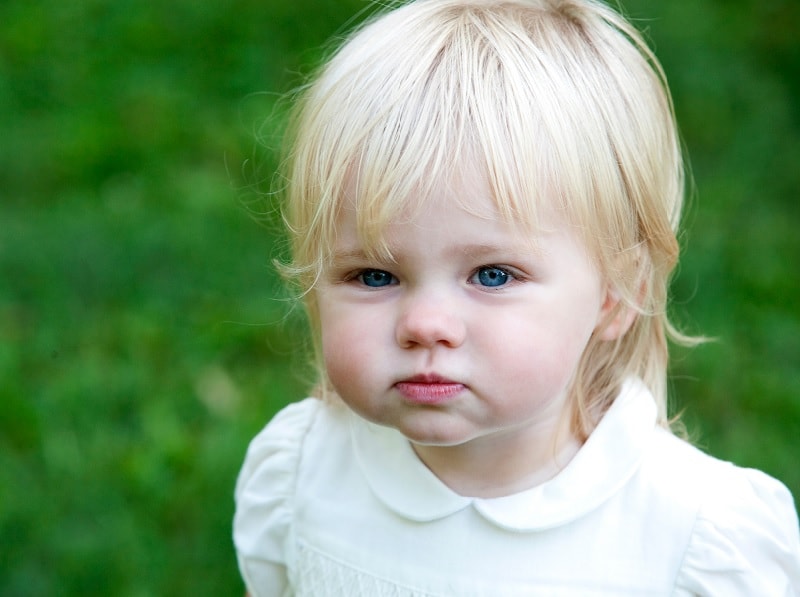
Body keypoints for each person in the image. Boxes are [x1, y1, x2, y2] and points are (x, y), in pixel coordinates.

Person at [233, 0, 800, 594]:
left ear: (617, 293)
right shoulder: (301, 475)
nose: (425, 324)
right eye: (374, 276)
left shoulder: (690, 540)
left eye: (493, 275)